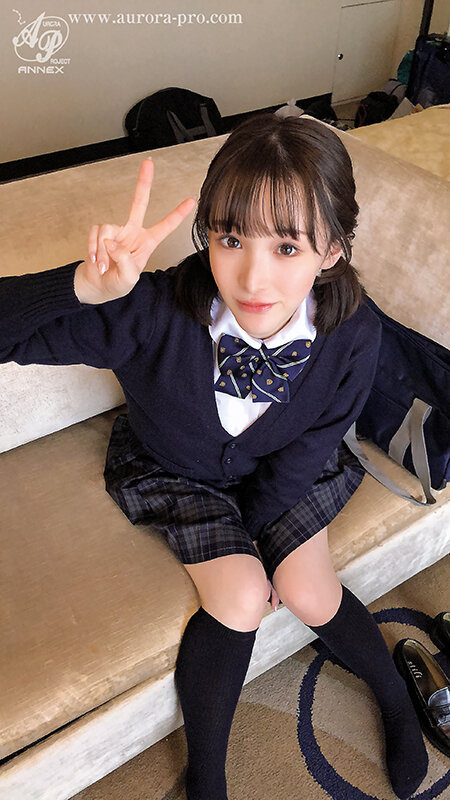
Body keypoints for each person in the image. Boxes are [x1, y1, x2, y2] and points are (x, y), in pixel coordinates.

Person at [0, 114, 428, 799]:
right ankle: (209, 778)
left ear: (331, 251)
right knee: (239, 599)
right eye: (231, 239)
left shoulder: (353, 331)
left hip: (286, 466)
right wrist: (81, 286)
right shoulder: (150, 310)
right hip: (175, 466)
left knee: (309, 590)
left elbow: (313, 445)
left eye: (287, 246)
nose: (253, 277)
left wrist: (254, 535)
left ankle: (398, 702)